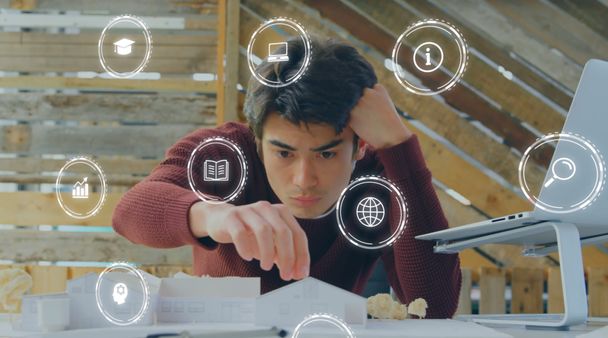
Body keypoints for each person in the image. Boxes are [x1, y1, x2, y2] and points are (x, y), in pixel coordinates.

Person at [113, 37, 460, 318]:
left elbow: (435, 306)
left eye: (326, 153)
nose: (303, 180)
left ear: (360, 145)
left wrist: (399, 146)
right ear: (258, 139)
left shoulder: (381, 175)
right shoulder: (226, 151)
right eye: (283, 153)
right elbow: (128, 213)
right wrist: (215, 215)